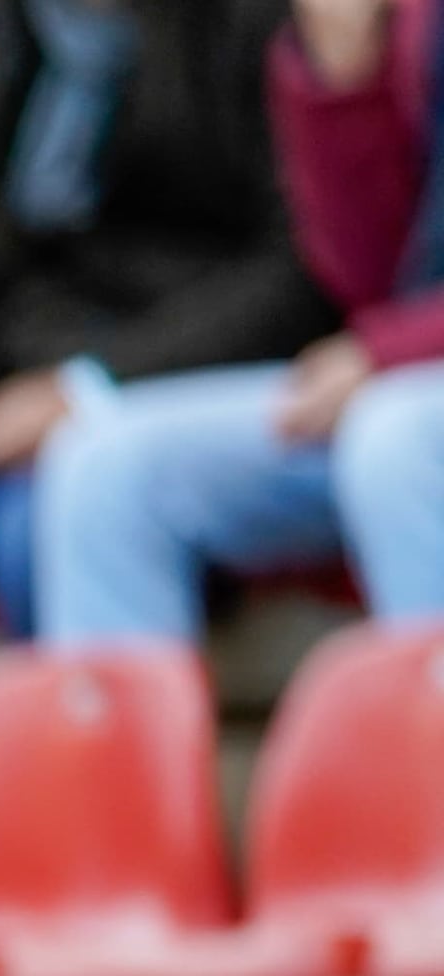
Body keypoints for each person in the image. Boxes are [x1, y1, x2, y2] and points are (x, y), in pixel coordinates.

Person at [0, 0, 330, 627]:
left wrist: (88, 389)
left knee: (32, 536)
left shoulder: (248, 25)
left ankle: (110, 694)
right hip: (9, 409)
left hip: (185, 392)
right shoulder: (24, 31)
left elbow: (299, 275)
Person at [27, 0, 444, 635]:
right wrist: (343, 78)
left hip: (406, 397)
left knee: (395, 439)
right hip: (397, 377)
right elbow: (368, 279)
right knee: (102, 467)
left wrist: (389, 352)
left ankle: (423, 703)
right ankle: (121, 705)